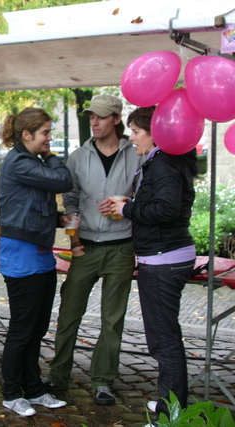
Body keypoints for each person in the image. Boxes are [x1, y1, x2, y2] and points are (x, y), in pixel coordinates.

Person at [48, 95, 142, 406]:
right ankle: (58, 375)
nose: (95, 122)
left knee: (112, 320)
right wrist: (74, 242)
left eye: (101, 117)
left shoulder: (136, 155)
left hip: (121, 248)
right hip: (85, 248)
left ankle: (103, 380)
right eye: (92, 117)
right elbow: (70, 202)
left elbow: (145, 201)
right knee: (69, 314)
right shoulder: (77, 157)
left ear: (117, 118)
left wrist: (127, 205)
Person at [109, 106, 197, 419]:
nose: (131, 138)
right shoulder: (166, 160)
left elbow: (165, 209)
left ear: (155, 131)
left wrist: (127, 211)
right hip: (164, 256)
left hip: (163, 260)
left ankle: (170, 415)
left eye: (135, 131)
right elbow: (162, 205)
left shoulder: (163, 162)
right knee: (165, 338)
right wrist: (131, 204)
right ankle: (171, 402)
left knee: (164, 342)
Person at [0, 108, 72, 417]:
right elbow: (62, 180)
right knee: (22, 329)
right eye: (45, 133)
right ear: (26, 134)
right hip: (22, 256)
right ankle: (11, 393)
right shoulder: (20, 162)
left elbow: (27, 207)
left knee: (37, 328)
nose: (49, 137)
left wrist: (58, 218)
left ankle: (34, 389)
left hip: (40, 254)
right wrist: (52, 155)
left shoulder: (30, 163)